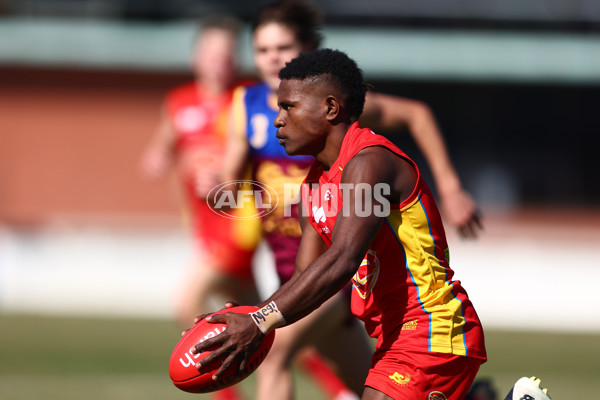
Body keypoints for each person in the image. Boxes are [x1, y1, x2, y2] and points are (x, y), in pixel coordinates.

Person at [219, 0, 482, 399]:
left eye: (288, 107)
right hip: (391, 334)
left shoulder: (369, 164)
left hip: (433, 328)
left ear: (329, 108)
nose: (277, 120)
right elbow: (306, 278)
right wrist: (240, 317)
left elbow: (341, 261)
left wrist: (258, 321)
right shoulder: (315, 180)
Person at [139, 17, 262, 400]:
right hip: (204, 228)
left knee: (188, 303)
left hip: (239, 225)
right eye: (211, 52)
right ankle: (342, 384)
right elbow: (164, 144)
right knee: (266, 322)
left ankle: (222, 392)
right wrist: (157, 158)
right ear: (197, 56)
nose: (218, 61)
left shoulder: (249, 98)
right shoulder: (179, 102)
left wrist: (229, 170)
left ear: (237, 59)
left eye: (226, 54)